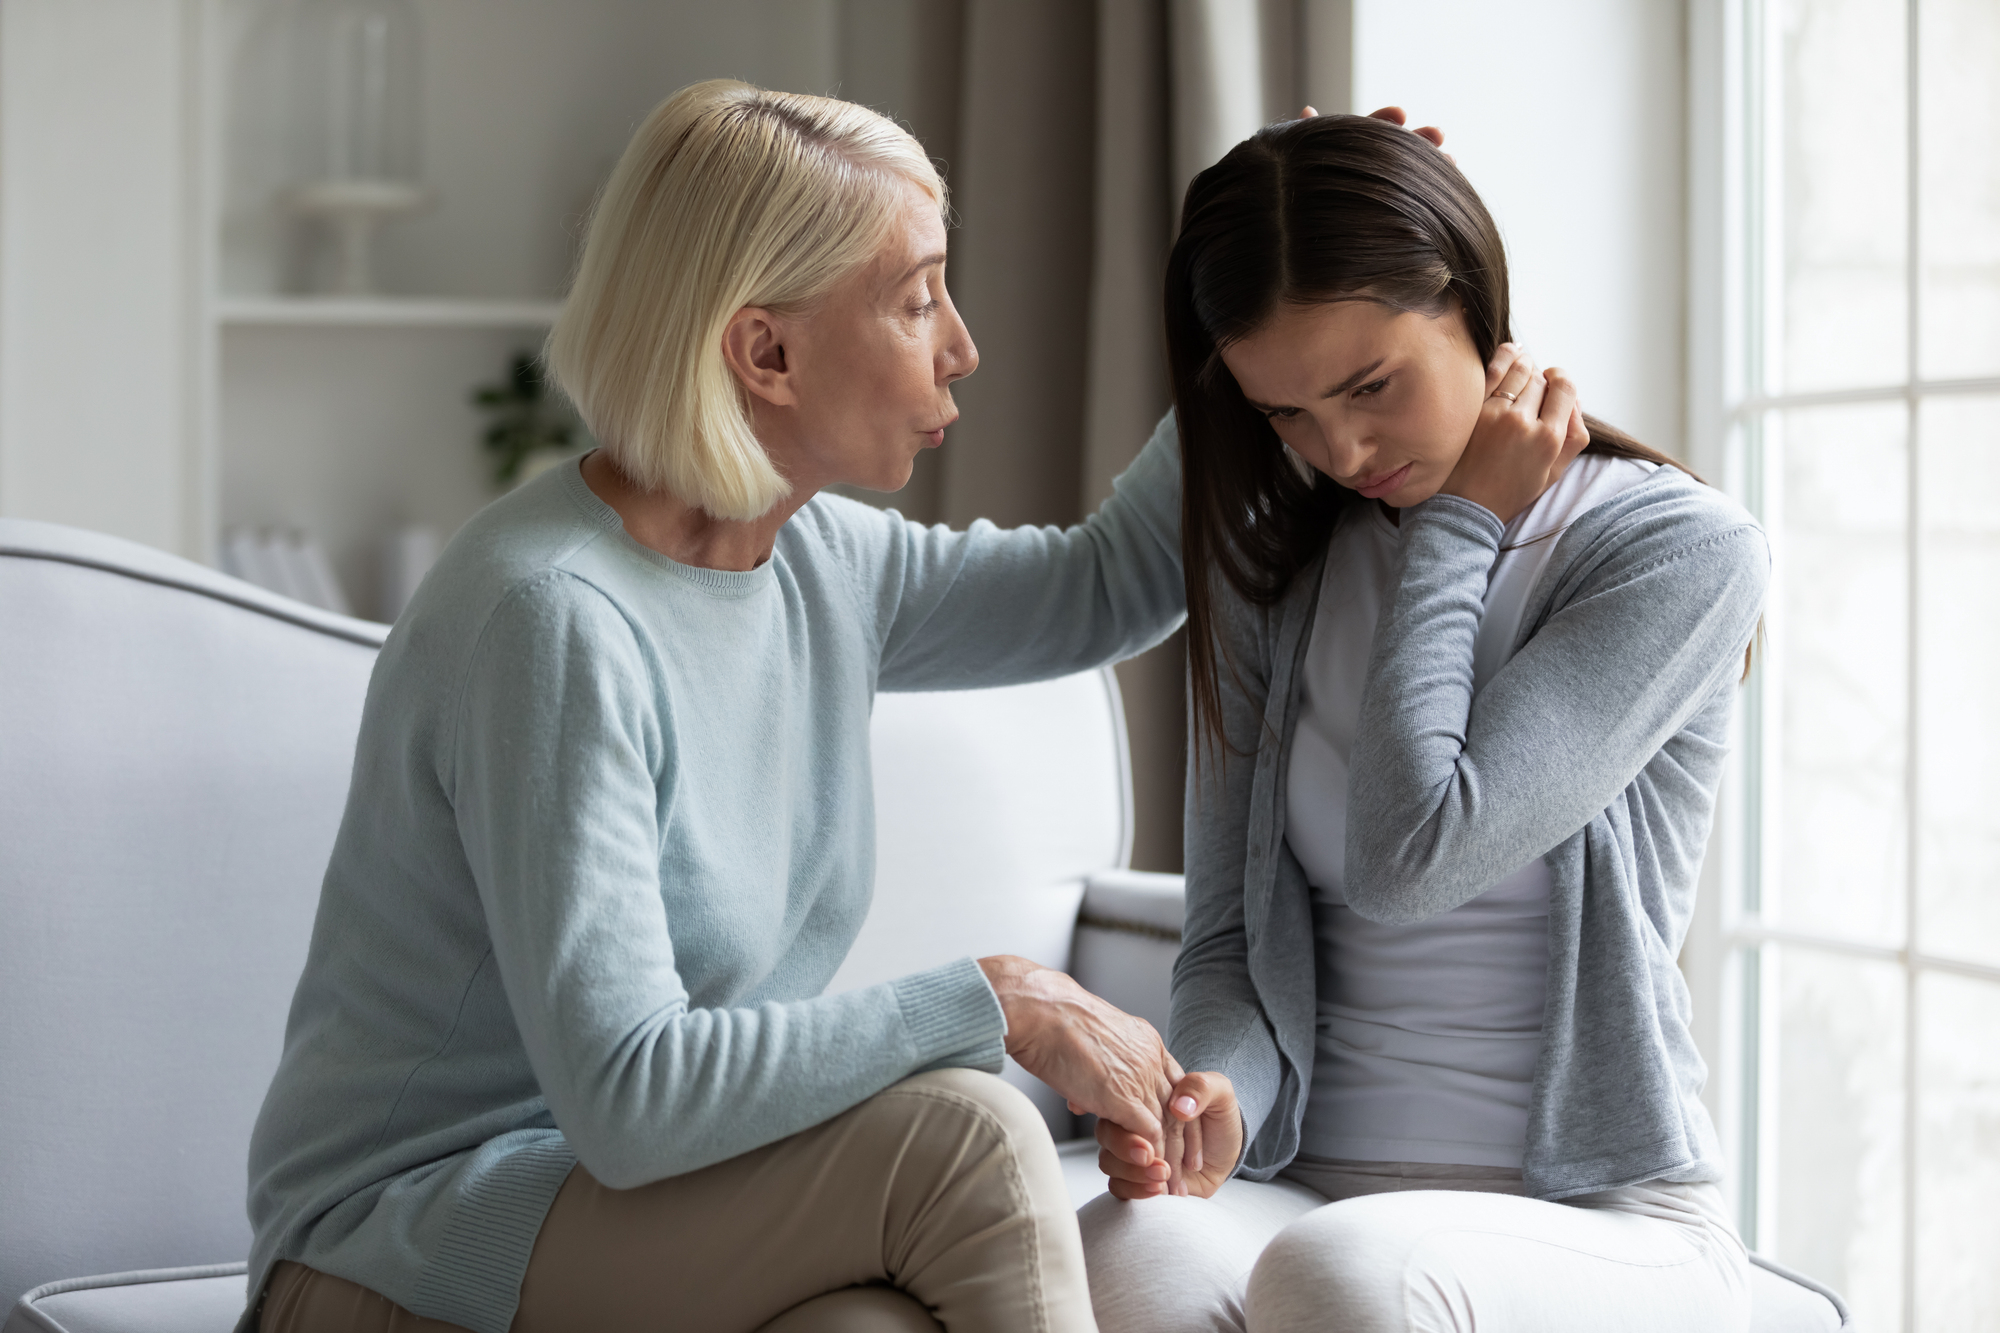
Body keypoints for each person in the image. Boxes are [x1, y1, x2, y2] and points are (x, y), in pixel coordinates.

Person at [239, 80, 1196, 1333]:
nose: (960, 344)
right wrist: (999, 996)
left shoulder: (823, 563)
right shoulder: (555, 616)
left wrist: (1259, 308)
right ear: (765, 352)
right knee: (962, 1138)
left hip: (632, 1205)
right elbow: (632, 1093)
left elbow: (1101, 586)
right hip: (399, 1244)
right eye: (915, 299)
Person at [1078, 112, 1770, 1333]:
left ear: (1470, 304)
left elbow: (1413, 853)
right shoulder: (1279, 577)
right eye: (1285, 414)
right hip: (1318, 1182)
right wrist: (1217, 1095)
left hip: (1594, 1215)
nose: (1337, 448)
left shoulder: (1673, 550)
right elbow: (1227, 939)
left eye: (1368, 385)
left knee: (1341, 1275)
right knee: (1123, 1244)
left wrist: (1457, 524)